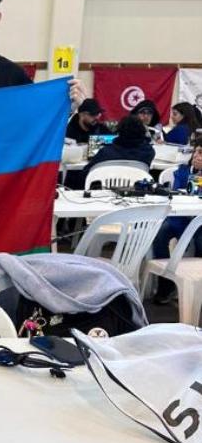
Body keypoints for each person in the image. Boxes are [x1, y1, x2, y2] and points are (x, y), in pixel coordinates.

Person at [150, 142, 202, 304]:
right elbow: (178, 191)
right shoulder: (183, 170)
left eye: (201, 153)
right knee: (160, 232)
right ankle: (166, 283)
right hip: (180, 217)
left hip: (200, 221)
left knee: (201, 240)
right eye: (197, 152)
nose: (197, 156)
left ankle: (196, 284)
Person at [83, 115, 155, 180]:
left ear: (119, 132)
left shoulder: (105, 152)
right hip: (137, 187)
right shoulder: (148, 152)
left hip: (107, 187)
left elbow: (87, 173)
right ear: (142, 132)